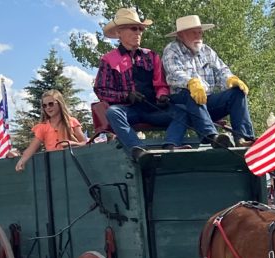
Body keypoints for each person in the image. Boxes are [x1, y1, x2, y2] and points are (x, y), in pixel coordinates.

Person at [94, 8, 189, 160]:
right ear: (119, 32)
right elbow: (101, 90)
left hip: (153, 109)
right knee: (112, 112)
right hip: (128, 110)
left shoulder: (151, 56)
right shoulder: (108, 59)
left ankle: (171, 144)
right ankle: (138, 149)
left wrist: (162, 95)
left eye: (141, 29)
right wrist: (126, 96)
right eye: (134, 28)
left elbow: (161, 84)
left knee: (183, 111)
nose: (138, 32)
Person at [162, 15, 256, 148]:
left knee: (237, 93)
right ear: (181, 35)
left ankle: (243, 139)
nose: (198, 36)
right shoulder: (171, 49)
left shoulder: (207, 50)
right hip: (181, 101)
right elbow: (174, 73)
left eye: (200, 32)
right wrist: (191, 83)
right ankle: (212, 137)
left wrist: (231, 79)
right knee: (191, 93)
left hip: (206, 100)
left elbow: (221, 70)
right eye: (193, 32)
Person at [15, 90, 86, 171]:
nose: (48, 107)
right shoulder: (43, 127)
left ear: (59, 104)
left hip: (74, 164)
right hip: (55, 166)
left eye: (51, 104)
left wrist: (74, 144)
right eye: (44, 105)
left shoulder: (72, 122)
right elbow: (32, 148)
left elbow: (84, 143)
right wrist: (22, 160)